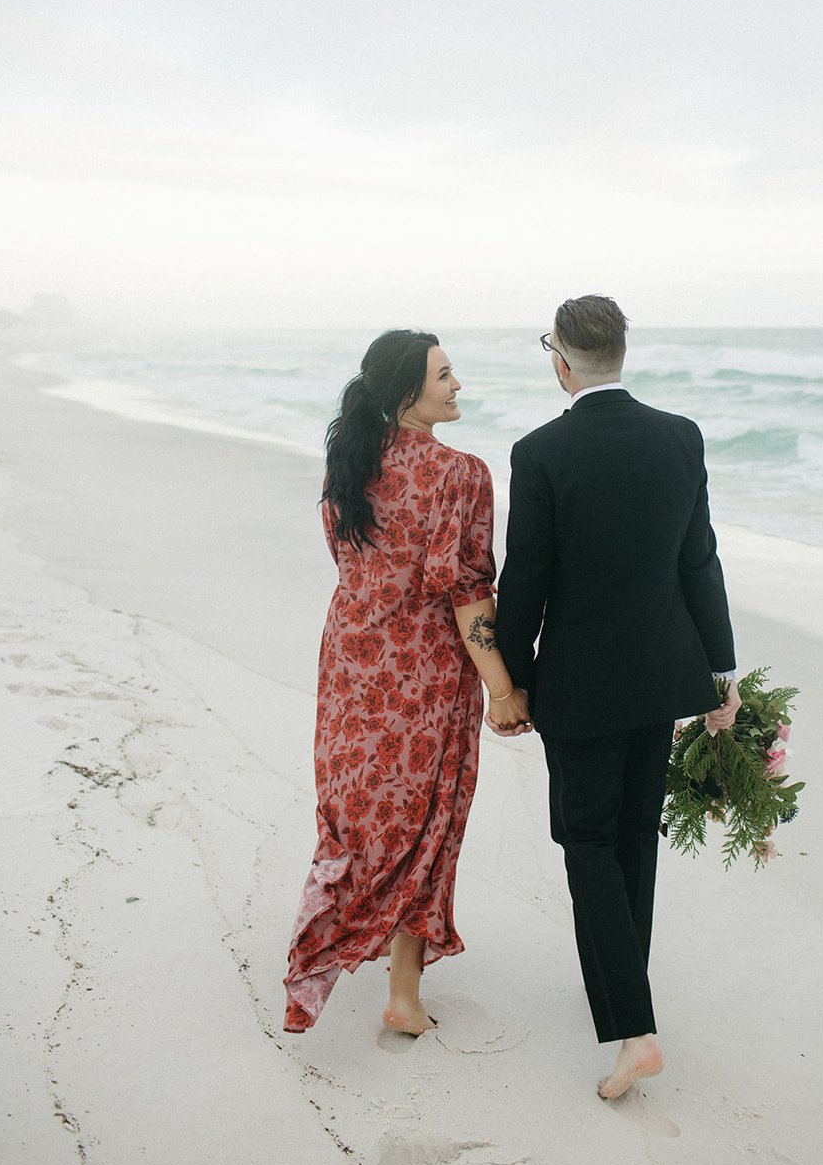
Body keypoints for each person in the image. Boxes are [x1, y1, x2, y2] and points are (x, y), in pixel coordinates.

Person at [494, 295, 740, 1099]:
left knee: (588, 839)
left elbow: (524, 579)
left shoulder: (540, 452)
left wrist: (514, 682)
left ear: (560, 361)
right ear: (619, 355)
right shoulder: (681, 436)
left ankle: (634, 1028)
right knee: (636, 831)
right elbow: (698, 560)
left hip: (580, 685)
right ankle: (618, 975)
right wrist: (721, 674)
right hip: (664, 674)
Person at [283, 329, 530, 1037]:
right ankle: (394, 989)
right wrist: (504, 689)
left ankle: (372, 969)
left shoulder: (346, 466)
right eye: (445, 375)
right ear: (405, 392)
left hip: (353, 662)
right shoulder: (461, 474)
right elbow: (467, 594)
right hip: (425, 675)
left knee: (356, 817)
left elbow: (347, 560)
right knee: (427, 822)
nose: (458, 386)